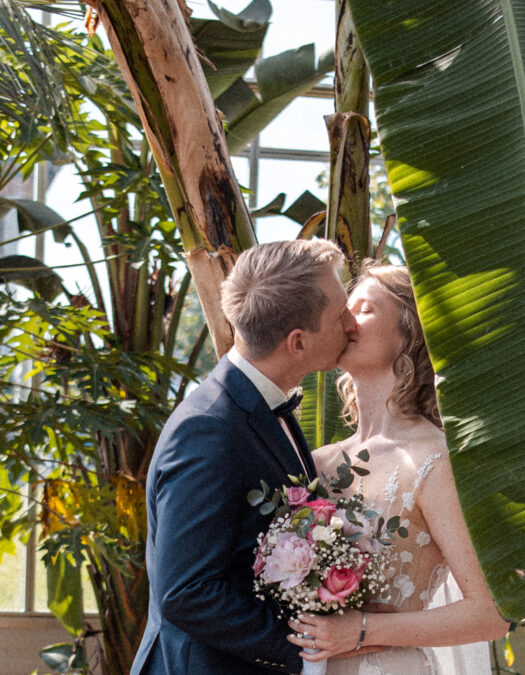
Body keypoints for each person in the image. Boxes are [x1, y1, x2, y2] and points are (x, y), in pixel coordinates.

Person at [131, 239, 356, 675]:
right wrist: (302, 653)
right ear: (297, 342)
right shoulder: (209, 430)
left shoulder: (261, 405)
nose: (350, 324)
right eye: (339, 315)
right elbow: (188, 591)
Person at [286, 263, 509, 674]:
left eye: (364, 310)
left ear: (410, 332)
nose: (345, 322)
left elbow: (490, 614)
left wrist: (363, 630)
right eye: (340, 311)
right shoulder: (316, 462)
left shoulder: (434, 460)